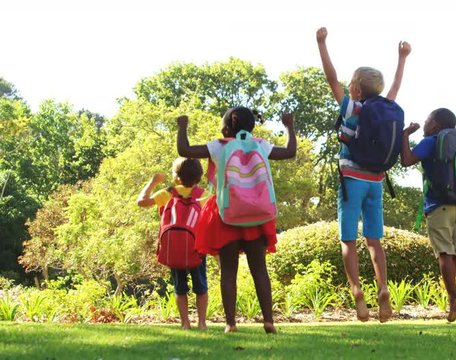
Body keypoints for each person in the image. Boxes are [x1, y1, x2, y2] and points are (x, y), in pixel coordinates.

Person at [316, 26, 411, 322]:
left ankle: (357, 291)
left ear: (355, 89)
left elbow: (331, 78)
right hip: (376, 182)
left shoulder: (351, 107)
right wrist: (402, 57)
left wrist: (322, 43)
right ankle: (382, 287)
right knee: (374, 240)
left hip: (351, 181)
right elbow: (395, 86)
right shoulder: (388, 106)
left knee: (348, 240)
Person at [176, 108, 296, 334]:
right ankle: (268, 321)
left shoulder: (220, 146)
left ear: (228, 126)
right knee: (259, 269)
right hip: (257, 216)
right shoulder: (261, 145)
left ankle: (231, 324)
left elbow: (184, 150)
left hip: (227, 214)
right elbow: (289, 151)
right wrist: (289, 125)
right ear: (251, 126)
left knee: (228, 271)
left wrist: (182, 126)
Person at [399, 108, 456, 321]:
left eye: (427, 120)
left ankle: (453, 300)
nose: (424, 124)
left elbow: (406, 160)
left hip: (439, 204)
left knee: (445, 253)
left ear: (436, 124)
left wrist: (405, 135)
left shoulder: (432, 140)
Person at [137, 157, 209, 330]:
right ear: (199, 177)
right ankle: (202, 323)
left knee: (180, 287)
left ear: (177, 177)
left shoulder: (168, 193)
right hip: (197, 247)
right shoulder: (204, 195)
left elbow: (141, 202)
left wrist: (153, 181)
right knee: (201, 287)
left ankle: (185, 324)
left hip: (174, 247)